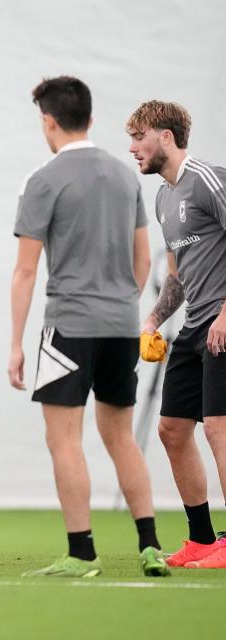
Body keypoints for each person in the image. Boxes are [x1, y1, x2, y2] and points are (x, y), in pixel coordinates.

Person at [8, 77, 169, 577]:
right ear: (91, 119)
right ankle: (150, 547)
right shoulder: (125, 175)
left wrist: (15, 343)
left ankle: (82, 553)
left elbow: (26, 270)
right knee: (120, 436)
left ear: (48, 121)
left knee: (65, 440)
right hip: (121, 325)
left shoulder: (44, 179)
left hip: (70, 327)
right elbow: (144, 259)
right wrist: (123, 300)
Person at [128, 100, 226, 568]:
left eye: (138, 136)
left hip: (223, 323)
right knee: (171, 430)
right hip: (194, 327)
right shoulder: (164, 197)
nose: (132, 148)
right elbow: (179, 275)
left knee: (219, 428)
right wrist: (153, 319)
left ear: (165, 136)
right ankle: (203, 541)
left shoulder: (208, 179)